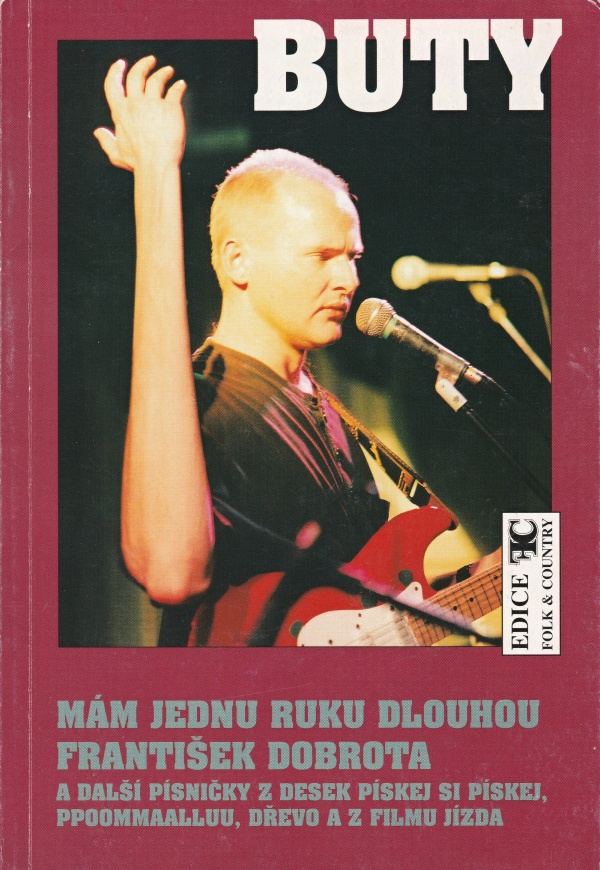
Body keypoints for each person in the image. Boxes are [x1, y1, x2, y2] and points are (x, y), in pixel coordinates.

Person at [94, 56, 494, 647]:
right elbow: (173, 573)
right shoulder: (203, 396)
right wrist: (156, 176)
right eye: (321, 256)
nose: (348, 280)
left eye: (352, 258)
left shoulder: (335, 416)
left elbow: (373, 607)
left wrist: (530, 581)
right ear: (238, 261)